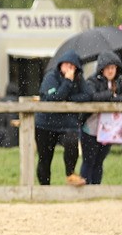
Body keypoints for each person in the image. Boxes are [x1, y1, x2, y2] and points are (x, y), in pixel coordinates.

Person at [34, 51, 89, 186]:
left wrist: (68, 98)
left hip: (67, 124)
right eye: (66, 64)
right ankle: (44, 188)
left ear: (77, 68)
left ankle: (70, 174)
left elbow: (88, 95)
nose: (69, 68)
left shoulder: (79, 79)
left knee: (72, 143)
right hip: (45, 124)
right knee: (45, 159)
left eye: (72, 66)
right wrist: (67, 82)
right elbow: (55, 99)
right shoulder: (50, 77)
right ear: (61, 65)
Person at [79, 51, 122, 185]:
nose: (110, 71)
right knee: (88, 161)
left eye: (113, 68)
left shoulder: (119, 81)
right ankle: (85, 189)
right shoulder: (92, 80)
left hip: (109, 128)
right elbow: (92, 96)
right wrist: (110, 95)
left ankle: (96, 188)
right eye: (107, 68)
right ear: (102, 69)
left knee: (99, 161)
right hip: (91, 127)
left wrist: (114, 98)